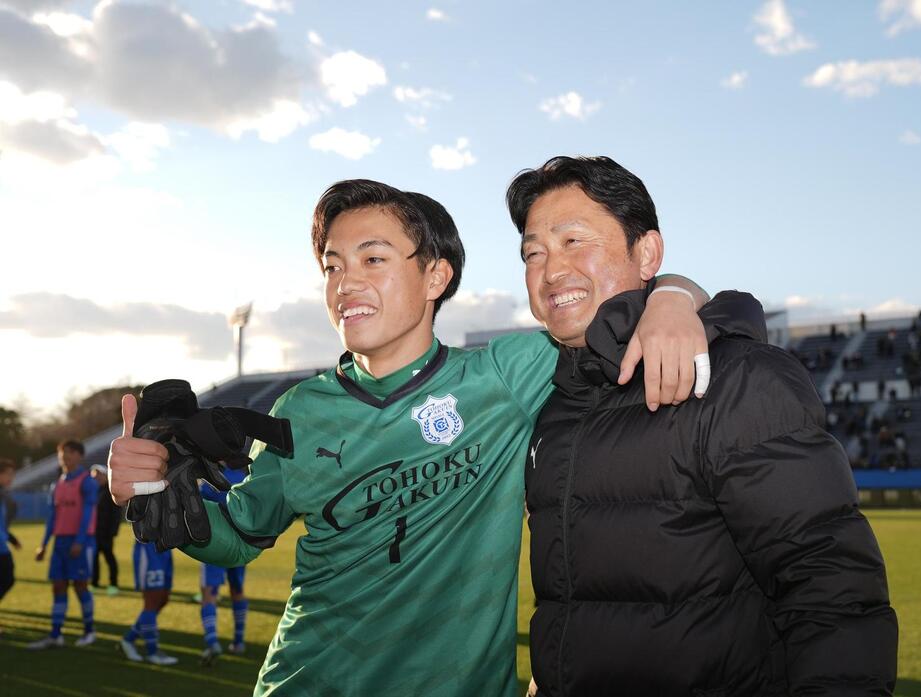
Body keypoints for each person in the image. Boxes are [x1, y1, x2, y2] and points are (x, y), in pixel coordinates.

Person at [108, 179, 755, 695]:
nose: (346, 282)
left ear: (436, 276)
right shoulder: (298, 410)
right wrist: (152, 489)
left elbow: (630, 303)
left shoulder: (506, 375)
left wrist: (671, 296)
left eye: (373, 258)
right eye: (333, 265)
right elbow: (241, 535)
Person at [509, 156, 898, 696]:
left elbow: (830, 588)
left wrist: (676, 295)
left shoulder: (738, 378)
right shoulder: (554, 405)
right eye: (533, 253)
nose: (551, 270)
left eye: (575, 241)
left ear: (647, 253)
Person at [28, 440, 98, 649]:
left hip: (81, 541)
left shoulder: (88, 482)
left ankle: (89, 631)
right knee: (58, 586)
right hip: (60, 542)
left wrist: (79, 540)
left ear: (79, 455)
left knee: (80, 585)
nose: (65, 457)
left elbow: (88, 513)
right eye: (61, 453)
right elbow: (52, 517)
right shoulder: (57, 484)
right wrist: (43, 544)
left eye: (69, 452)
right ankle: (56, 634)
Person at [197, 467, 250, 666]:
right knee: (237, 590)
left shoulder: (211, 479)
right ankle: (238, 642)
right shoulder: (246, 478)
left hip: (214, 544)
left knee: (209, 592)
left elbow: (197, 507)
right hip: (239, 543)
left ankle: (212, 642)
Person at [118, 540, 178, 665]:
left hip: (166, 546)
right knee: (151, 602)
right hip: (149, 549)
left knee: (163, 599)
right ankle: (152, 652)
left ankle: (129, 639)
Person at [89, 464, 121, 595]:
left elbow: (116, 513)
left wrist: (113, 531)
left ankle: (113, 584)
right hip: (94, 532)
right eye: (94, 477)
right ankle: (94, 583)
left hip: (106, 532)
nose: (96, 478)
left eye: (98, 476)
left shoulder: (111, 491)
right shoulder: (93, 491)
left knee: (109, 558)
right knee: (94, 559)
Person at [0, 458, 22, 633]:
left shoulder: (3, 494)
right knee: (7, 579)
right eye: (8, 474)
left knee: (7, 580)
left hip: (2, 545)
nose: (11, 477)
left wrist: (11, 538)